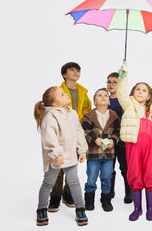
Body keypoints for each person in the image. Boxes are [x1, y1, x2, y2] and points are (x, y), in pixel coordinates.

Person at [116, 64, 152, 221]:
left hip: (150, 147)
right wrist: (122, 77)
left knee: (149, 174)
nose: (140, 92)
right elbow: (121, 93)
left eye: (144, 90)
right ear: (133, 92)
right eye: (137, 89)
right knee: (134, 174)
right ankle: (137, 208)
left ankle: (150, 208)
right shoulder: (129, 104)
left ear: (149, 95)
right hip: (133, 145)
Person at [34, 86, 88, 226]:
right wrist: (56, 153)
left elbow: (78, 131)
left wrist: (82, 149)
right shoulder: (50, 116)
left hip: (70, 155)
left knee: (74, 182)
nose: (66, 94)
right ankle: (41, 208)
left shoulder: (72, 113)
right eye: (62, 94)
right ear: (55, 104)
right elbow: (49, 137)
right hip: (56, 157)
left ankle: (80, 208)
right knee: (48, 183)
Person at [48, 62, 92, 212]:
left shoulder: (83, 92)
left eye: (78, 70)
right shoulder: (58, 91)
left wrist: (80, 119)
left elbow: (87, 108)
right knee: (58, 163)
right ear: (64, 75)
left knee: (72, 163)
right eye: (72, 70)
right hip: (60, 132)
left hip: (74, 131)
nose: (76, 72)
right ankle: (55, 196)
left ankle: (68, 194)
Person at [82, 88, 120, 212]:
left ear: (109, 101)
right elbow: (85, 131)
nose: (103, 97)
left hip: (109, 155)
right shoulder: (89, 116)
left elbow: (117, 131)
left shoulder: (113, 116)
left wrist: (113, 140)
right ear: (94, 101)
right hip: (94, 154)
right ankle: (89, 200)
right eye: (99, 95)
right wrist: (94, 139)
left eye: (105, 95)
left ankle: (106, 200)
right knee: (91, 179)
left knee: (107, 178)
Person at [106, 72, 133, 203]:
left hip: (122, 140)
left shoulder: (125, 101)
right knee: (109, 168)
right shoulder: (104, 99)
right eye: (109, 82)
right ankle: (109, 192)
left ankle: (129, 192)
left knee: (125, 168)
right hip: (108, 141)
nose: (111, 84)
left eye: (115, 82)